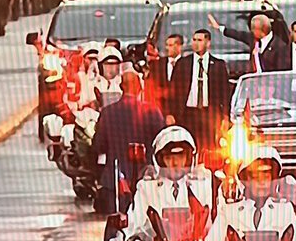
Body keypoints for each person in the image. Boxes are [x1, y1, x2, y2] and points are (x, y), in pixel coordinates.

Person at [204, 146, 296, 241]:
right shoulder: (229, 211)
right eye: (256, 177)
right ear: (246, 179)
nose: (262, 182)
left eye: (266, 177)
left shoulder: (285, 210)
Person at [89, 71, 166, 214]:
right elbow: (162, 145)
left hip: (114, 182)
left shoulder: (107, 112)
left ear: (121, 87)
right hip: (146, 181)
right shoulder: (152, 112)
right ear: (140, 88)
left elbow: (98, 146)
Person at [171, 28, 230, 150]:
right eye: (194, 40)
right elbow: (173, 90)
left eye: (200, 40)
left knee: (209, 147)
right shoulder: (183, 63)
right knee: (187, 146)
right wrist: (171, 113)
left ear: (208, 43)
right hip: (187, 114)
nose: (196, 43)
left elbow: (224, 93)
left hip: (209, 114)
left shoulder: (219, 65)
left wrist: (225, 116)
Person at [208, 11, 289, 73]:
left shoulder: (280, 46)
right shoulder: (252, 38)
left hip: (270, 86)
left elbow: (281, 71)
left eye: (254, 28)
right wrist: (219, 28)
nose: (251, 31)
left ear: (263, 30)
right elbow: (238, 34)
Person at [151, 33, 185, 118]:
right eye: (166, 45)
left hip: (182, 113)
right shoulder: (157, 65)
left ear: (179, 47)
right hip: (161, 112)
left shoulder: (187, 65)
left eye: (170, 45)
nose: (166, 48)